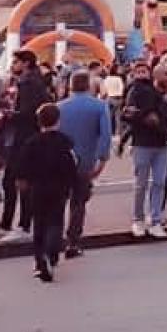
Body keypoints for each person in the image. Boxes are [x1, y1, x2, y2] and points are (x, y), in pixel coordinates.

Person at [14, 102, 79, 282]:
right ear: (58, 121)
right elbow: (72, 165)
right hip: (59, 187)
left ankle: (39, 259)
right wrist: (74, 185)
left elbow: (22, 166)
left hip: (37, 188)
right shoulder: (65, 142)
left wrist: (23, 182)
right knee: (55, 221)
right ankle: (52, 252)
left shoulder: (31, 143)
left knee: (39, 223)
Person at [54, 70, 111, 258]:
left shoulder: (59, 107)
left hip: (61, 160)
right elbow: (105, 136)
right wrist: (102, 159)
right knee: (79, 202)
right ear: (89, 85)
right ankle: (73, 241)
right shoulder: (99, 107)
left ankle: (54, 238)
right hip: (86, 159)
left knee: (59, 200)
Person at [122, 61, 167, 238]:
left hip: (160, 142)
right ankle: (138, 219)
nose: (142, 73)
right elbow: (127, 114)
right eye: (138, 70)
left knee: (159, 182)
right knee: (141, 184)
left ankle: (155, 219)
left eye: (145, 70)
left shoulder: (158, 93)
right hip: (143, 142)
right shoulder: (133, 91)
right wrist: (146, 116)